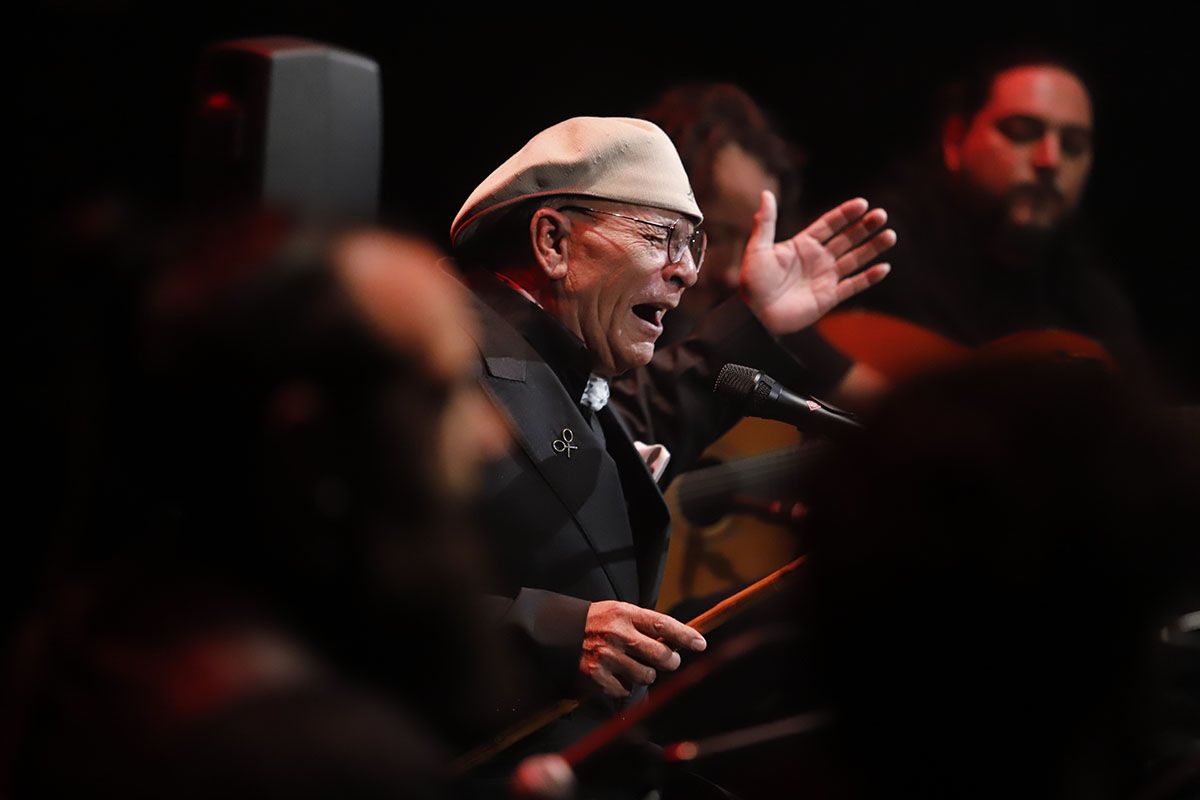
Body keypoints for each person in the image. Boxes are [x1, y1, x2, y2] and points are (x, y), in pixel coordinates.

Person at [448, 116, 894, 774]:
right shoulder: (435, 361)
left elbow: (627, 421)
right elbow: (335, 588)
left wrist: (757, 319)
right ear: (553, 241)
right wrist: (556, 632)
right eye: (662, 238)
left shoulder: (557, 366)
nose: (687, 272)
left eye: (694, 245)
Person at [11, 223, 513, 799]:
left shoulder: (90, 637)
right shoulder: (308, 758)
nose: (491, 436)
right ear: (310, 441)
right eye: (446, 392)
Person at [827, 52, 1154, 387]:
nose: (1050, 160)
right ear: (954, 138)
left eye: (1073, 144)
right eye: (1021, 132)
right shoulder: (877, 240)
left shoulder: (1093, 301)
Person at [644, 82, 889, 407]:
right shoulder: (597, 331)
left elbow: (890, 409)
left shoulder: (754, 308)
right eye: (715, 235)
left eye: (753, 242)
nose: (733, 273)